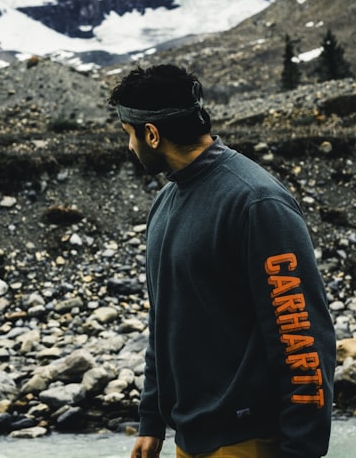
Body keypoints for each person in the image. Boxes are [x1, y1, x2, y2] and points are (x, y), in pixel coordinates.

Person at [108, 64, 334, 458]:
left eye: (129, 134)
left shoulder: (256, 202)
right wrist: (152, 420)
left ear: (152, 134)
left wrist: (304, 448)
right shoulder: (165, 202)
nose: (129, 147)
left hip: (250, 442)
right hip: (189, 438)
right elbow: (163, 320)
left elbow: (302, 336)